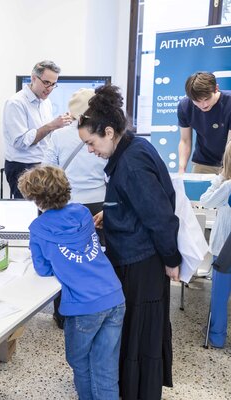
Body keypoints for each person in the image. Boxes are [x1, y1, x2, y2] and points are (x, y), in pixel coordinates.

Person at [78, 84, 181, 400]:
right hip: (134, 256)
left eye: (91, 142)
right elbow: (137, 201)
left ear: (109, 132)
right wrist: (111, 212)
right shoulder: (132, 147)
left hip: (141, 263)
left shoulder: (132, 162)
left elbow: (159, 216)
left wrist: (172, 259)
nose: (90, 150)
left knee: (140, 334)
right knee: (134, 332)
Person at [18, 165, 125, 400]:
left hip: (83, 306)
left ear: (35, 198)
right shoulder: (83, 212)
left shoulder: (38, 228)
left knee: (79, 361)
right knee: (105, 366)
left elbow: (43, 269)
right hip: (114, 296)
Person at [43, 88, 107, 329]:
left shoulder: (58, 136)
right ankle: (95, 312)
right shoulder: (102, 134)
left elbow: (47, 169)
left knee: (64, 261)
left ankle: (63, 314)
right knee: (95, 259)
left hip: (66, 205)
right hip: (98, 205)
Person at [3, 60, 73, 198]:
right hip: (22, 166)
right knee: (27, 209)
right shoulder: (16, 103)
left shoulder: (46, 102)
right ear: (34, 78)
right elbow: (20, 141)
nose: (49, 88)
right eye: (46, 82)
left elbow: (45, 135)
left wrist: (62, 125)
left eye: (53, 84)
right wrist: (52, 125)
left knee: (44, 207)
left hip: (42, 163)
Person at [199, 141, 231, 348]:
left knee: (219, 296)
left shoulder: (227, 186)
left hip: (224, 249)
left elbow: (206, 200)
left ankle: (217, 336)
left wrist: (220, 178)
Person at [177, 71, 231, 174]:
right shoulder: (185, 106)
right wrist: (181, 169)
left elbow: (230, 143)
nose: (203, 105)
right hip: (203, 162)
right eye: (197, 101)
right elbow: (185, 141)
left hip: (229, 160)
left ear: (216, 88)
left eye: (207, 99)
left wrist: (225, 172)